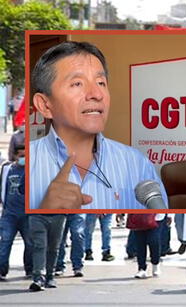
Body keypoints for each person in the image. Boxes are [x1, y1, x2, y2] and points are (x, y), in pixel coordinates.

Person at [29, 41, 168, 210]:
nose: (96, 94)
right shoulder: (24, 167)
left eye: (101, 83)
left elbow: (161, 221)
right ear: (44, 105)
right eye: (77, 84)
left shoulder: (137, 163)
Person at [0, 145, 32, 281]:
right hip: (9, 214)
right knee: (5, 242)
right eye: (21, 156)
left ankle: (30, 269)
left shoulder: (32, 170)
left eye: (26, 156)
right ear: (15, 156)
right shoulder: (7, 169)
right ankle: (2, 270)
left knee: (30, 243)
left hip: (27, 214)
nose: (23, 159)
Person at [28, 213, 66, 291]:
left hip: (58, 214)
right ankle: (38, 277)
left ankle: (49, 276)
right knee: (39, 246)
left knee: (53, 247)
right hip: (36, 214)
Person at [132, 213, 164, 279]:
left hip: (157, 217)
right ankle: (141, 268)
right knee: (140, 243)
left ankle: (155, 263)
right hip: (138, 217)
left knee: (154, 240)